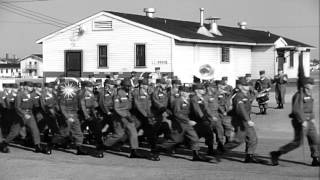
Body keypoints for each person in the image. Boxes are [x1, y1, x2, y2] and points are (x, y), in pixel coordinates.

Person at [270, 77, 320, 166]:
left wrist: (312, 118)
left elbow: (310, 108)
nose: (312, 86)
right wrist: (302, 120)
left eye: (313, 84)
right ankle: (277, 153)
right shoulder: (299, 95)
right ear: (305, 85)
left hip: (309, 121)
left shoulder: (309, 94)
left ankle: (315, 158)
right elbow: (297, 109)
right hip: (300, 122)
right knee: (298, 143)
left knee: (315, 140)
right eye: (310, 84)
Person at [154, 86, 211, 162]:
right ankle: (156, 151)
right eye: (186, 92)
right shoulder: (177, 101)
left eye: (188, 92)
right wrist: (188, 121)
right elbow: (177, 113)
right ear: (181, 92)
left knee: (194, 137)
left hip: (186, 123)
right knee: (175, 140)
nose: (187, 94)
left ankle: (196, 155)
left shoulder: (188, 100)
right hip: (179, 123)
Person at [0, 81, 49, 154]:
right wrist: (23, 114)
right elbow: (17, 107)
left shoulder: (32, 95)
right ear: (25, 87)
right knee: (14, 132)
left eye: (32, 87)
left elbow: (36, 105)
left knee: (35, 130)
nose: (31, 88)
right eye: (29, 86)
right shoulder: (19, 95)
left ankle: (37, 146)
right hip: (20, 116)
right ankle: (4, 144)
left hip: (30, 114)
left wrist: (41, 97)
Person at [223, 78, 261, 163]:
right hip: (241, 121)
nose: (247, 87)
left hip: (245, 120)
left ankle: (249, 156)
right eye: (245, 85)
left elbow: (251, 100)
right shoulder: (238, 96)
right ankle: (222, 149)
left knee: (252, 138)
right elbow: (241, 109)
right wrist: (247, 120)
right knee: (239, 140)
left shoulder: (246, 95)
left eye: (248, 85)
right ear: (240, 86)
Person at [79, 81, 104, 158]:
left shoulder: (90, 93)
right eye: (90, 86)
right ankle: (78, 147)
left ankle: (99, 149)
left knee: (97, 131)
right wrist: (86, 116)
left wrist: (95, 113)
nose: (92, 87)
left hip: (91, 115)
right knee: (78, 131)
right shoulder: (82, 93)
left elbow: (93, 104)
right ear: (86, 87)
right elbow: (82, 105)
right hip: (84, 115)